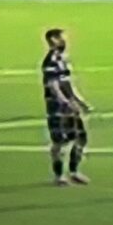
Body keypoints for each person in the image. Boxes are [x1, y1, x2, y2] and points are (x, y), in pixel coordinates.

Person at [42, 29, 92, 186]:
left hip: (70, 106)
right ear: (53, 40)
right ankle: (58, 175)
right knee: (59, 142)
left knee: (80, 138)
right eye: (61, 38)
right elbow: (54, 86)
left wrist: (79, 101)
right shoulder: (50, 61)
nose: (65, 41)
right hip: (57, 109)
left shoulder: (63, 59)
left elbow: (67, 84)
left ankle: (74, 171)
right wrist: (65, 102)